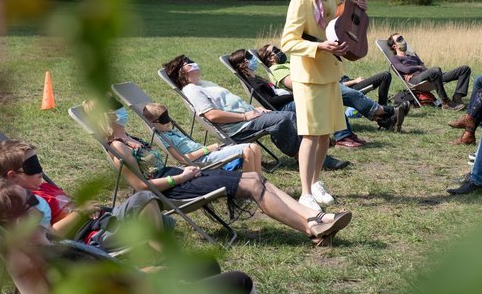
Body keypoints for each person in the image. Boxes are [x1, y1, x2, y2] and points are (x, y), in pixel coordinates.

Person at [0, 180, 271, 294]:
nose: (38, 202)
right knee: (239, 283)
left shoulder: (45, 244)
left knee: (202, 266)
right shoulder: (32, 260)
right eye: (29, 202)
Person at [83, 97, 353, 246]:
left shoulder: (128, 136)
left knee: (256, 177)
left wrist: (183, 170)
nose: (124, 111)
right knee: (253, 186)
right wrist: (182, 176)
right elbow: (143, 187)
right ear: (109, 117)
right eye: (118, 109)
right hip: (174, 187)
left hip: (180, 174)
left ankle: (318, 216)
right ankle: (311, 229)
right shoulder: (118, 147)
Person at [279, 0, 367, 211]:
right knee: (311, 134)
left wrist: (355, 8)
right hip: (307, 75)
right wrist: (319, 46)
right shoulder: (299, 1)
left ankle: (316, 182)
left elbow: (337, 23)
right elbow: (288, 41)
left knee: (325, 133)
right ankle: (305, 193)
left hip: (330, 72)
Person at [163, 53, 349, 171]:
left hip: (249, 117)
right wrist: (246, 115)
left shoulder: (204, 84)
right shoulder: (192, 90)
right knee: (283, 119)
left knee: (289, 116)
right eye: (188, 63)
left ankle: (313, 153)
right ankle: (305, 158)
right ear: (181, 72)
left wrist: (255, 109)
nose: (193, 64)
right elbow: (212, 115)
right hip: (238, 127)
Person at [0, 139, 174, 252]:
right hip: (91, 238)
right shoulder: (27, 203)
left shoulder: (45, 188)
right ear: (13, 177)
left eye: (37, 162)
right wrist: (81, 213)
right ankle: (165, 262)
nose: (40, 170)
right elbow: (49, 235)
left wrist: (85, 207)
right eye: (32, 166)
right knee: (144, 200)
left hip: (103, 221)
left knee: (153, 210)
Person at [256, 44, 407, 140]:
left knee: (352, 93)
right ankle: (388, 111)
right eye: (275, 51)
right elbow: (294, 83)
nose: (280, 51)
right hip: (313, 89)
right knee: (352, 94)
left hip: (323, 82)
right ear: (270, 59)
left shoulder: (287, 63)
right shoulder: (277, 69)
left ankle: (385, 119)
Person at [142, 102, 263, 173]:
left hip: (208, 154)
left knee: (254, 148)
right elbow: (183, 160)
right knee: (247, 149)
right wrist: (207, 149)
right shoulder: (163, 138)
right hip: (202, 160)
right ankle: (251, 187)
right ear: (153, 124)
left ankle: (260, 184)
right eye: (164, 120)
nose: (168, 122)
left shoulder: (169, 131)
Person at [386, 32, 471, 110]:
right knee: (435, 70)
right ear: (394, 46)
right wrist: (419, 67)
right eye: (399, 39)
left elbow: (424, 68)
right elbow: (405, 69)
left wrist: (419, 68)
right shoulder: (394, 58)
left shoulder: (412, 57)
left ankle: (457, 97)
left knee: (464, 69)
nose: (403, 40)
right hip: (415, 80)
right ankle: (445, 102)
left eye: (402, 38)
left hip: (428, 76)